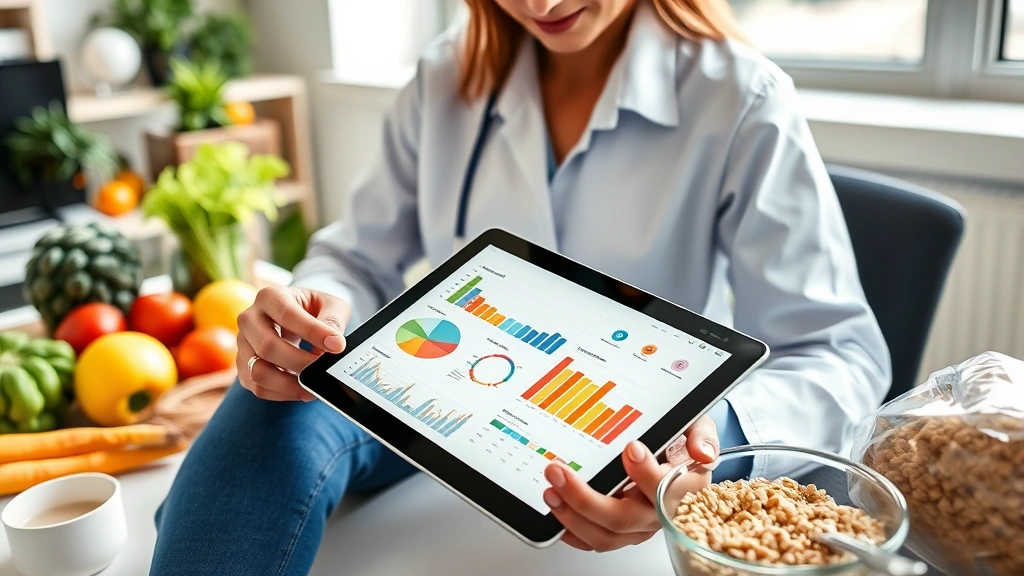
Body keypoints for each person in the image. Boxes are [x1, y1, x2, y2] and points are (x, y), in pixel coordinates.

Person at [150, 0, 891, 573]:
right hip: (445, 400)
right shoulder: (444, 78)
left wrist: (709, 444)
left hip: (617, 444)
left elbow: (838, 351)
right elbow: (356, 257)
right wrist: (312, 305)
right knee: (271, 400)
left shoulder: (741, 99)